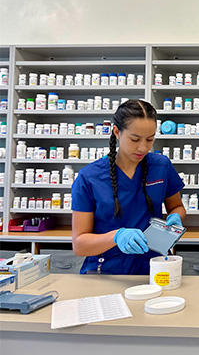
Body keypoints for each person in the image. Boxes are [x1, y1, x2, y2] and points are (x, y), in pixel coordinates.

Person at [72, 100, 186, 275]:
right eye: (135, 139)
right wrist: (116, 237)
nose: (143, 147)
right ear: (117, 132)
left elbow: (176, 206)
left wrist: (176, 217)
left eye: (150, 139)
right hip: (107, 272)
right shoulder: (90, 177)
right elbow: (79, 245)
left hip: (152, 268)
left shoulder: (161, 166)